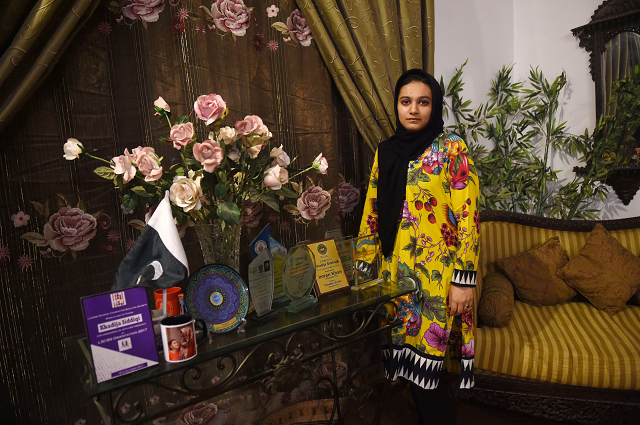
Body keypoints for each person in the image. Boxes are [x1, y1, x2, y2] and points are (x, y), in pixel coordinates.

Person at [359, 69, 479, 425]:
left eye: (423, 102)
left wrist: (463, 280)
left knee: (431, 369)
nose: (413, 110)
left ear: (434, 106)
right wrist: (365, 272)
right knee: (407, 366)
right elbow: (372, 213)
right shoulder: (385, 151)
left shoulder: (451, 148)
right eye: (405, 101)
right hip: (394, 276)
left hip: (437, 280)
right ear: (396, 105)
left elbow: (468, 216)